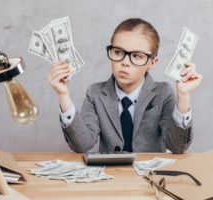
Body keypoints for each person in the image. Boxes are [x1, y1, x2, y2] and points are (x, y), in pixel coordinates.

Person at [47, 18, 202, 153]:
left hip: (150, 179)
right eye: (118, 52)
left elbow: (177, 147)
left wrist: (183, 96)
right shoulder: (95, 93)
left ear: (152, 62)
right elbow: (82, 144)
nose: (125, 62)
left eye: (137, 56)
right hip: (111, 178)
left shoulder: (164, 92)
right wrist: (63, 94)